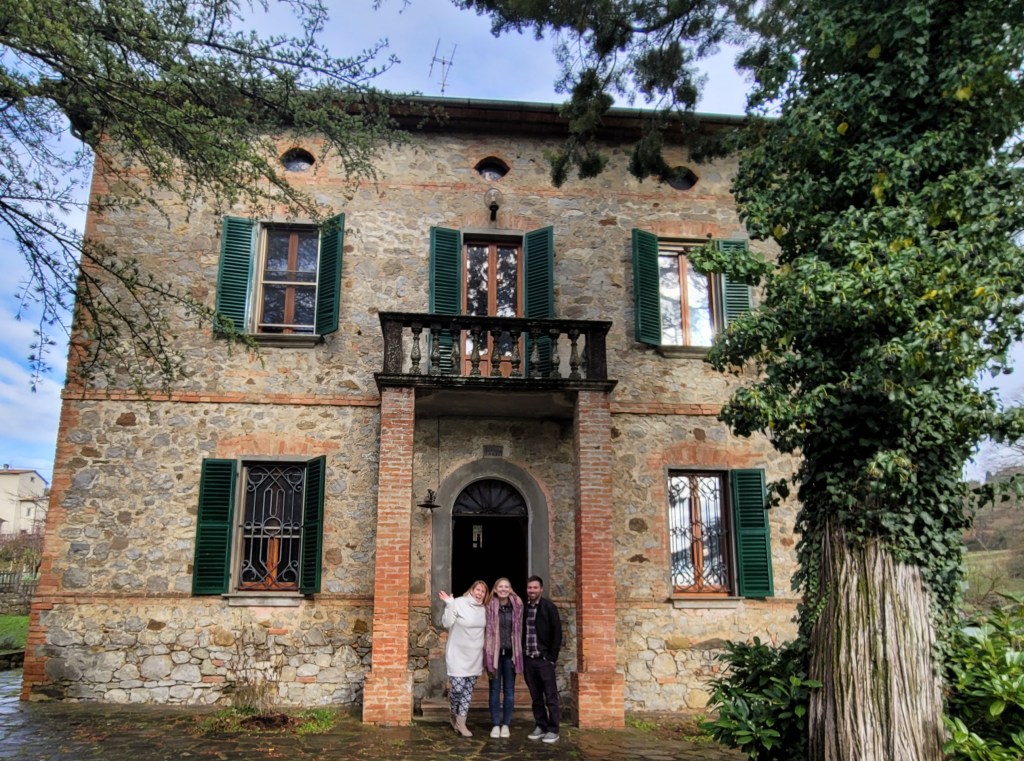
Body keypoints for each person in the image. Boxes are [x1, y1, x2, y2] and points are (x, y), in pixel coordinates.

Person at [439, 580, 487, 737]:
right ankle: (453, 712)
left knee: (467, 691)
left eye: (483, 591)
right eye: (478, 590)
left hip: (475, 656)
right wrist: (449, 604)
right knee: (458, 689)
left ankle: (461, 723)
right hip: (458, 655)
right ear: (472, 590)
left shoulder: (484, 609)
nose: (480, 593)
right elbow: (447, 623)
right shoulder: (458, 602)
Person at [521, 575, 562, 743]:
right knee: (536, 696)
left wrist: (551, 657)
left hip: (543, 659)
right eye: (530, 588)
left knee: (550, 696)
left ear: (541, 589)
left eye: (535, 588)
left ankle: (553, 729)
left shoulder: (549, 607)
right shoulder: (524, 608)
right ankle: (541, 725)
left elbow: (557, 633)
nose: (532, 590)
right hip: (528, 659)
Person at [483, 577, 524, 739]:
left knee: (509, 690)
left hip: (510, 655)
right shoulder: (488, 606)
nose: (503, 589)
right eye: (500, 586)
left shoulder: (517, 606)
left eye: (506, 587)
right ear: (495, 589)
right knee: (494, 690)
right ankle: (495, 724)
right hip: (494, 655)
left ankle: (506, 724)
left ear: (510, 589)